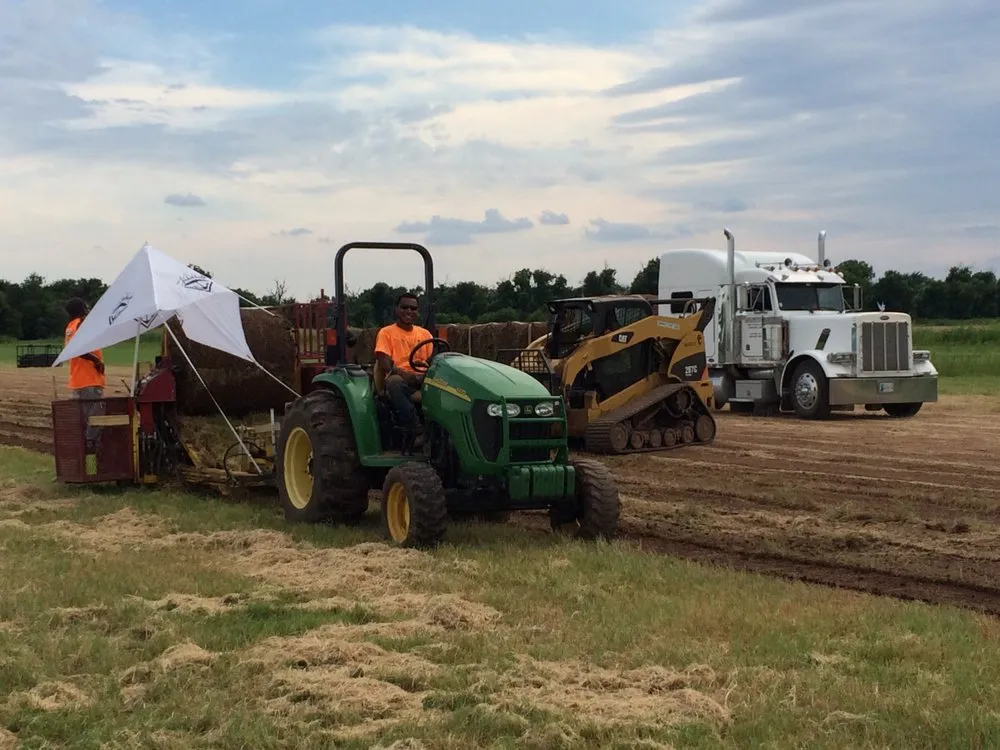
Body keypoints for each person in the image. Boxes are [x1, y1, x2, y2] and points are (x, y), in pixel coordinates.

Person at [374, 293, 432, 443]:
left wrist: (424, 375)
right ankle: (416, 428)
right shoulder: (386, 333)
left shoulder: (425, 334)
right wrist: (407, 376)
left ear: (417, 311)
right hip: (400, 379)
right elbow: (384, 364)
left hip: (423, 378)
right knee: (394, 382)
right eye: (404, 307)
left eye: (413, 308)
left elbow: (433, 360)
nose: (409, 311)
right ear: (397, 309)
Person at [64, 297, 106, 452]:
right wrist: (96, 360)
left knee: (83, 423)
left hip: (77, 381)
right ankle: (91, 459)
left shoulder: (70, 326)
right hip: (90, 381)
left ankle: (83, 462)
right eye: (85, 308)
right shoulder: (82, 324)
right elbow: (79, 349)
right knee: (95, 422)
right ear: (82, 310)